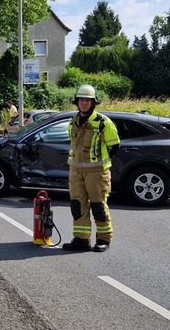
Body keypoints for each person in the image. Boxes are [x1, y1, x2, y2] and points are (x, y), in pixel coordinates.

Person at [62, 84, 120, 253]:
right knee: (77, 206)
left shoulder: (103, 122)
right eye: (81, 100)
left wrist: (101, 163)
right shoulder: (72, 121)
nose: (84, 103)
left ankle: (103, 239)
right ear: (77, 102)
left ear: (93, 103)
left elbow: (114, 146)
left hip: (97, 172)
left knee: (98, 206)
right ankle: (81, 239)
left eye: (88, 100)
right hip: (75, 171)